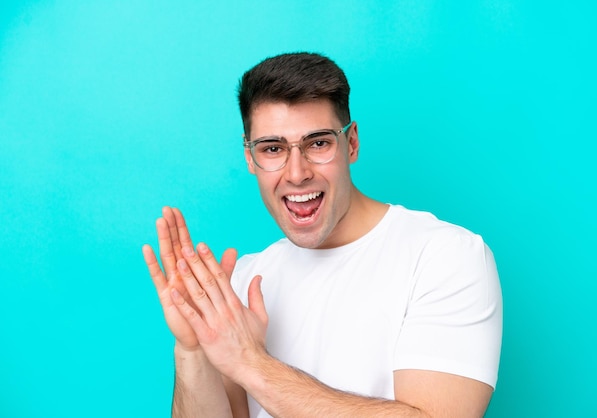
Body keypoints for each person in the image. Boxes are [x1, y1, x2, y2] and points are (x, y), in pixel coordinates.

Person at [142, 52, 502, 417]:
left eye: (318, 143)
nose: (297, 173)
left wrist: (251, 363)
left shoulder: (445, 256)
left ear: (352, 143)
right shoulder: (244, 280)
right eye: (272, 148)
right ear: (250, 158)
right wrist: (192, 349)